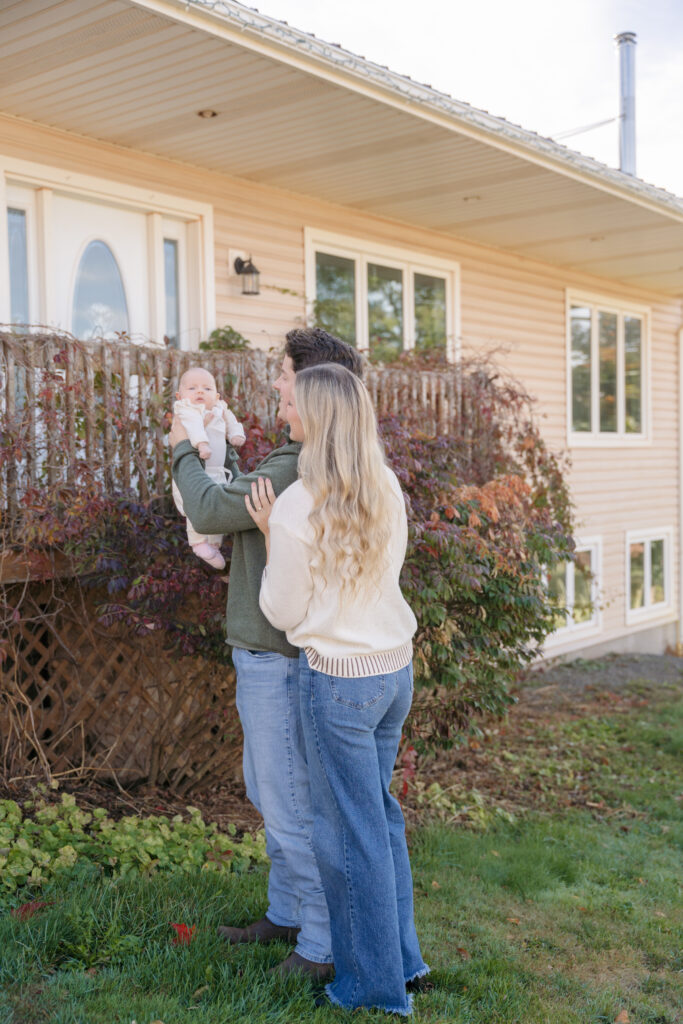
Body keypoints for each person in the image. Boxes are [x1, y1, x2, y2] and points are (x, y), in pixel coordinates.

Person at [169, 328, 362, 979]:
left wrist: (180, 446)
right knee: (269, 786)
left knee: (286, 800)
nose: (275, 383)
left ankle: (320, 944)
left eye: (282, 373)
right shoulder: (298, 454)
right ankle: (286, 912)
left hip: (275, 656)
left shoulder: (294, 463)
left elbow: (207, 508)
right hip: (266, 651)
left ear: (311, 384)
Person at [245, 363, 428, 1016]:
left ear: (318, 416)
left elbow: (282, 611)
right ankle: (403, 963)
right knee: (379, 820)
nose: (282, 412)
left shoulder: (297, 505)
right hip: (392, 673)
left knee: (348, 837)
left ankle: (372, 990)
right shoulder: (384, 482)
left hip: (341, 684)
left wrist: (269, 538)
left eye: (290, 403)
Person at [172, 366, 245, 570]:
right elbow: (192, 428)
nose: (200, 392)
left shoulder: (220, 409)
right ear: (179, 396)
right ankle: (198, 543)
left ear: (217, 396)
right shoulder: (186, 410)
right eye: (192, 388)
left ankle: (214, 544)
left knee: (217, 504)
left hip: (217, 471)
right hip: (195, 469)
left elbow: (232, 421)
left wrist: (235, 434)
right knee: (194, 503)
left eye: (207, 388)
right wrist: (202, 443)